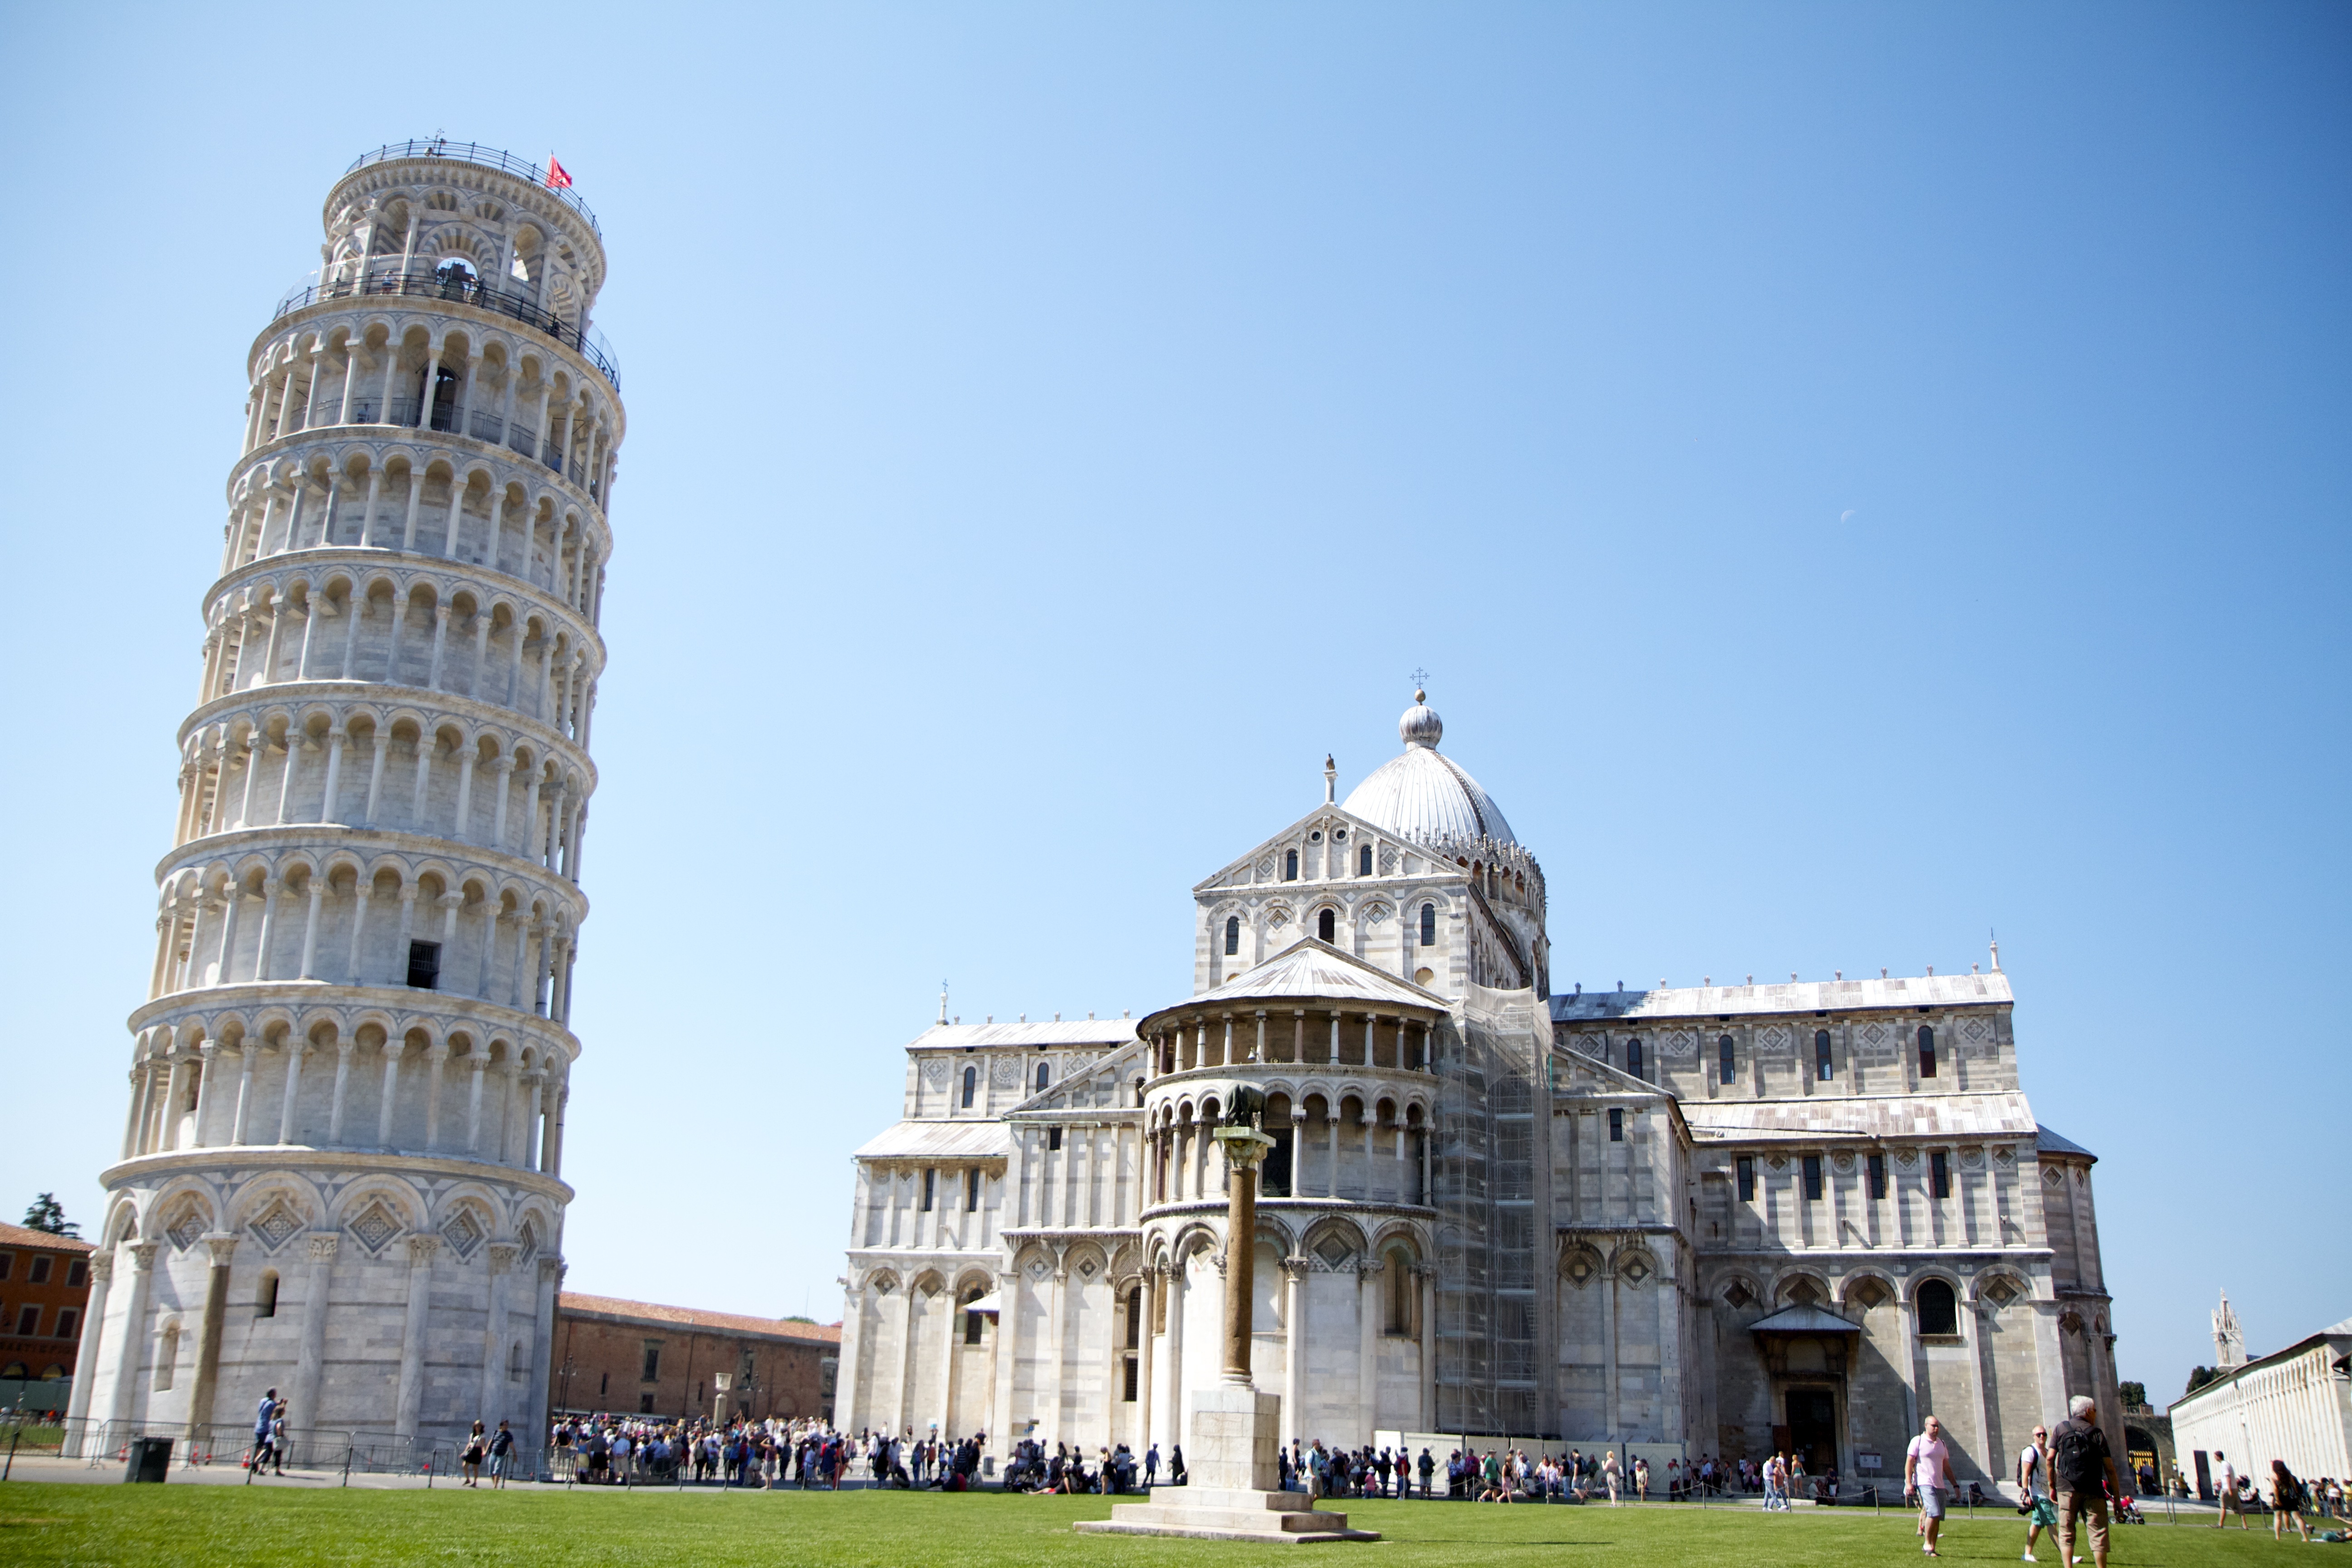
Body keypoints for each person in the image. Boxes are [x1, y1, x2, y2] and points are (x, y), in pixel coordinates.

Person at [2050, 1394, 2119, 1568]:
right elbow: (2109, 1468)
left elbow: (2050, 1458)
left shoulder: (2061, 1429)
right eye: (2094, 1411)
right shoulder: (2096, 1433)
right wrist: (2117, 1498)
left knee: (2066, 1531)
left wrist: (2052, 1485)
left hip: (2066, 1487)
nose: (2095, 1414)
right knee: (2098, 1532)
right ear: (2088, 1411)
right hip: (2093, 1489)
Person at [1906, 1414, 1953, 1557]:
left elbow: (1946, 1466)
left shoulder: (1942, 1444)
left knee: (1938, 1516)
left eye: (1938, 1426)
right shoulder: (1918, 1441)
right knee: (1933, 1512)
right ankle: (1927, 1544)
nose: (1936, 1428)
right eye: (1934, 1425)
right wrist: (1909, 1483)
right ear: (1926, 1426)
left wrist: (1955, 1485)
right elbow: (1909, 1463)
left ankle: (1932, 1547)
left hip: (1939, 1484)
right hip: (1924, 1483)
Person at [2019, 1423, 2059, 1563]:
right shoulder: (2030, 1451)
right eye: (2039, 1434)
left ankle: (2027, 1554)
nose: (2042, 1436)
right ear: (2034, 1436)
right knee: (2051, 1523)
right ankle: (2068, 1555)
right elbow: (2025, 1473)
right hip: (2036, 1493)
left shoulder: (2047, 1452)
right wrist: (2026, 1492)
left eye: (2044, 1434)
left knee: (2036, 1524)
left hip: (2047, 1493)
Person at [2272, 1460, 2313, 1544]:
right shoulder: (2288, 1474)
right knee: (2297, 1518)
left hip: (2280, 1497)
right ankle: (2305, 1537)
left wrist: (2277, 1499)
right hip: (2291, 1498)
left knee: (2278, 1517)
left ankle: (2278, 1537)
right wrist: (2296, 1496)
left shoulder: (2273, 1475)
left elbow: (2275, 1489)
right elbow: (2294, 1486)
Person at [2213, 1450, 2248, 1529]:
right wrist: (2218, 1482)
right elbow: (2226, 1478)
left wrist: (2229, 1490)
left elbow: (2228, 1477)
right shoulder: (2227, 1464)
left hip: (2227, 1488)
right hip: (2235, 1488)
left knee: (2223, 1507)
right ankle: (2245, 1525)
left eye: (2215, 1457)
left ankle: (2220, 1524)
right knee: (2239, 1507)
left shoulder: (2224, 1465)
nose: (2215, 1458)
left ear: (2219, 1457)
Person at [252, 1388, 278, 1473]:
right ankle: (257, 1462)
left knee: (259, 1447)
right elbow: (278, 1410)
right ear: (273, 1395)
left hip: (259, 1426)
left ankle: (254, 1464)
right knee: (266, 1448)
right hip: (266, 1428)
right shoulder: (272, 1404)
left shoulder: (263, 1401)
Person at [488, 1420, 515, 1488]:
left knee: (497, 1469)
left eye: (507, 1425)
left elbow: (511, 1445)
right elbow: (491, 1442)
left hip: (502, 1454)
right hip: (493, 1453)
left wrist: (515, 1454)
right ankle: (494, 1483)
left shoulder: (508, 1435)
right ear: (501, 1426)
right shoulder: (496, 1433)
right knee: (491, 1470)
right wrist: (486, 1451)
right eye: (505, 1425)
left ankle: (495, 1486)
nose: (506, 1427)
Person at [462, 1420, 488, 1487]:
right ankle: (468, 1479)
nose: (478, 1427)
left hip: (478, 1451)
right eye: (477, 1426)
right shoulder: (472, 1435)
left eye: (479, 1426)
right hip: (472, 1451)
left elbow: (483, 1445)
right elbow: (469, 1444)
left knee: (475, 1468)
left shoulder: (482, 1435)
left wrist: (484, 1452)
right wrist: (464, 1452)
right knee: (465, 1465)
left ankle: (475, 1482)